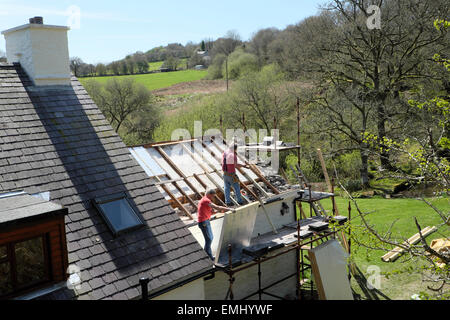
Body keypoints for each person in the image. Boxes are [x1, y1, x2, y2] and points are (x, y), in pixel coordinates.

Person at [197, 189, 233, 261]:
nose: (213, 198)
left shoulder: (205, 200)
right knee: (209, 239)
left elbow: (212, 211)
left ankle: (207, 255)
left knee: (211, 238)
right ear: (209, 194)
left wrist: (220, 211)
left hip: (206, 221)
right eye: (212, 196)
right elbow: (217, 207)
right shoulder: (206, 200)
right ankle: (209, 257)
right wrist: (229, 209)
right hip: (203, 222)